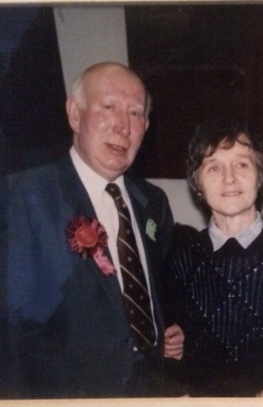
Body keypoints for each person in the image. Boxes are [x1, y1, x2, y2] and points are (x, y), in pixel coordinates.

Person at [0, 62, 184, 398]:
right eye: (109, 106)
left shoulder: (152, 202)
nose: (122, 126)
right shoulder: (22, 199)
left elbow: (151, 290)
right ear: (74, 114)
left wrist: (168, 327)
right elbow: (11, 334)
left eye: (135, 113)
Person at [162, 118, 263, 397]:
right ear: (197, 182)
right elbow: (167, 346)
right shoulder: (181, 256)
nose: (229, 178)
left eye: (242, 164)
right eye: (214, 167)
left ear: (260, 176)